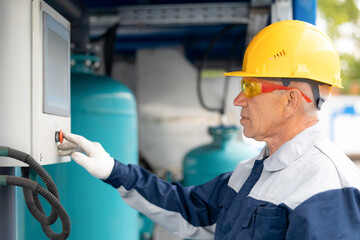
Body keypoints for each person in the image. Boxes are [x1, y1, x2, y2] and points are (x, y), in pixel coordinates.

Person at [58, 20, 360, 239]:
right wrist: (113, 169)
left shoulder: (327, 184)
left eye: (251, 86)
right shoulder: (250, 171)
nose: (238, 99)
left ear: (292, 100)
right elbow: (186, 209)